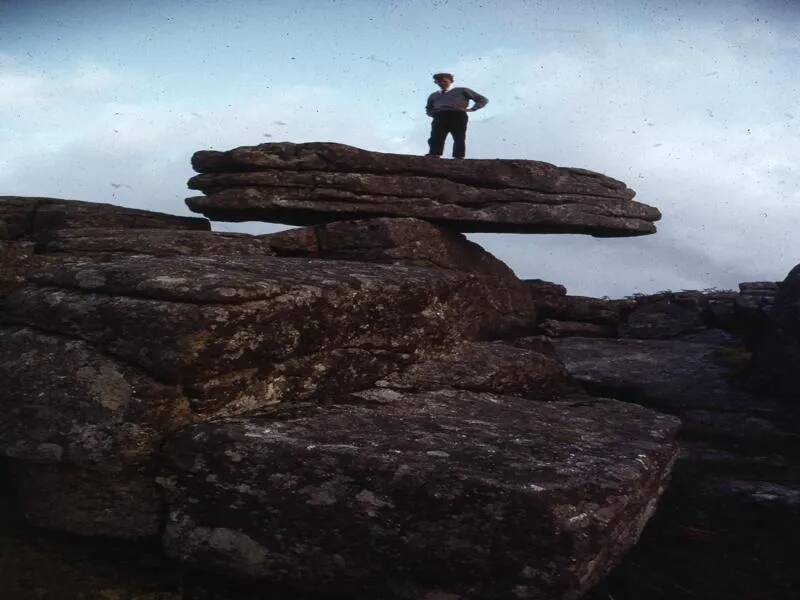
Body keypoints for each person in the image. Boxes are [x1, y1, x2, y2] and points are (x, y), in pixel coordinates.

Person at [425, 72, 488, 159]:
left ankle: (459, 156)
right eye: (439, 81)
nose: (442, 83)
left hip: (457, 115)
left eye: (444, 81)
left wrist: (472, 109)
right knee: (436, 136)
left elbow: (482, 99)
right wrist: (434, 115)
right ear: (436, 82)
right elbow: (429, 108)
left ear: (451, 81)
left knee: (459, 136)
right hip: (440, 116)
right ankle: (434, 154)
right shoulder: (433, 95)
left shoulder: (462, 90)